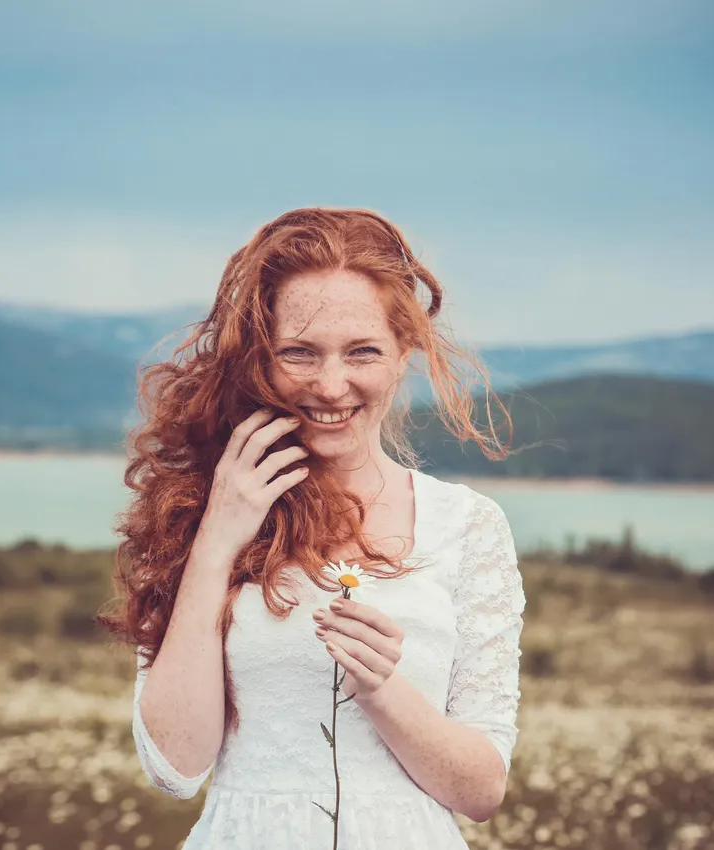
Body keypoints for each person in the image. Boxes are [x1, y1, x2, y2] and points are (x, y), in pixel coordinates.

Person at [102, 207, 525, 849]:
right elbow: (175, 769)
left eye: (362, 352)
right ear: (259, 362)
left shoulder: (468, 526)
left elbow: (481, 792)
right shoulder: (194, 509)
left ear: (403, 354)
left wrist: (381, 689)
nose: (331, 386)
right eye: (298, 353)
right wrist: (217, 538)